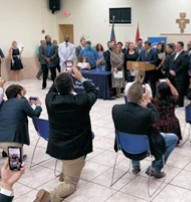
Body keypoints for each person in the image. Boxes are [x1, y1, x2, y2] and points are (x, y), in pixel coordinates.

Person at [34, 66, 98, 202]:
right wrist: (81, 77)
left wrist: (60, 77)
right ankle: (49, 197)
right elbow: (93, 91)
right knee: (71, 185)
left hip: (57, 146)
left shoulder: (50, 101)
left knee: (86, 139)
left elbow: (52, 89)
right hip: (75, 149)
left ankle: (65, 173)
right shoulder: (81, 101)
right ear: (72, 86)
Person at [112, 82, 178, 178]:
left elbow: (132, 115)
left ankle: (135, 164)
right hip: (144, 150)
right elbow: (156, 118)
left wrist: (140, 103)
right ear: (141, 97)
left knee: (132, 130)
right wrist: (148, 102)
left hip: (125, 147)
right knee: (173, 139)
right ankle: (155, 167)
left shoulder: (116, 109)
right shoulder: (146, 113)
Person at [0, 84, 42, 156]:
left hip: (1, 138)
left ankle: (7, 153)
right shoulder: (22, 102)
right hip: (13, 142)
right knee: (16, 165)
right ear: (18, 95)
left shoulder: (4, 104)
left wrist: (27, 104)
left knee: (12, 158)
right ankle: (13, 159)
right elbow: (35, 114)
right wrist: (38, 105)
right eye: (22, 94)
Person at [169, 41, 190, 107]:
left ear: (181, 47)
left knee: (180, 90)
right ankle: (174, 102)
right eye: (176, 46)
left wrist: (175, 71)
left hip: (180, 76)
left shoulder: (185, 55)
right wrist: (170, 70)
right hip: (172, 75)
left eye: (178, 46)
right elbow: (171, 63)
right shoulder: (175, 54)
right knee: (173, 89)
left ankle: (179, 103)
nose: (176, 47)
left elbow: (184, 65)